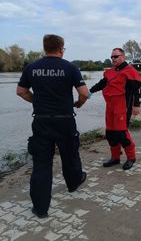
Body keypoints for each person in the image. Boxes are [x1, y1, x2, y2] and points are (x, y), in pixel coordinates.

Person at [16, 34, 88, 219]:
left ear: (44, 48)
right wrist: (78, 104)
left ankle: (40, 208)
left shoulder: (31, 67)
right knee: (70, 154)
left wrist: (36, 101)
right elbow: (84, 93)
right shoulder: (70, 67)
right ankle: (73, 184)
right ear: (61, 48)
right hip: (64, 120)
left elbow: (21, 91)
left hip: (41, 120)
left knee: (41, 163)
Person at [89, 48, 141, 170]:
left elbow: (138, 89)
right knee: (110, 133)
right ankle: (115, 157)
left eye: (116, 56)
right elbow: (102, 84)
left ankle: (131, 157)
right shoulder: (110, 72)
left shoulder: (130, 71)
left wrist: (136, 105)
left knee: (121, 133)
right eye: (112, 57)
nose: (113, 59)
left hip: (123, 106)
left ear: (123, 57)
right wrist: (90, 91)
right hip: (110, 106)